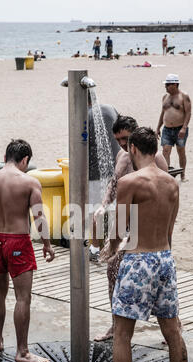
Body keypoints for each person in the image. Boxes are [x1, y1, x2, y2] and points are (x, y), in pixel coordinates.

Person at [94, 127, 188, 362]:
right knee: (172, 331)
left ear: (133, 149)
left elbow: (120, 227)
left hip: (138, 261)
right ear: (155, 148)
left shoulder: (130, 181)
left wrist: (110, 249)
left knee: (122, 334)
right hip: (164, 259)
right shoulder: (172, 183)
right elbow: (170, 230)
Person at [0, 139, 55, 362]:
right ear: (25, 160)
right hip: (18, 242)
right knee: (23, 297)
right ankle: (22, 351)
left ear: (5, 157)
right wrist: (47, 244)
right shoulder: (30, 183)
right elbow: (39, 217)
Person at [93, 115, 168, 342]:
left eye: (126, 139)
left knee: (155, 277)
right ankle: (116, 324)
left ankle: (172, 327)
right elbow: (114, 183)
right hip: (126, 221)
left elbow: (168, 193)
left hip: (147, 226)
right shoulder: (121, 155)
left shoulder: (156, 158)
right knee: (112, 272)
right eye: (119, 140)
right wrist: (104, 205)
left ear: (135, 136)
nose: (123, 145)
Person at [88, 96, 120, 262]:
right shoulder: (110, 108)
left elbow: (82, 143)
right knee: (114, 208)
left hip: (94, 171)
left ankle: (94, 248)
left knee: (95, 210)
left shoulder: (85, 115)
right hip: (116, 166)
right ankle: (112, 246)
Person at [156, 74, 191, 182]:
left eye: (167, 85)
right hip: (167, 129)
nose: (165, 87)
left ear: (175, 84)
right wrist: (158, 128)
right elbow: (163, 113)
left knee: (181, 152)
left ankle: (183, 175)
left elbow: (188, 113)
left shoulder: (184, 96)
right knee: (165, 151)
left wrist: (184, 128)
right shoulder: (165, 97)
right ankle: (167, 175)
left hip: (179, 129)